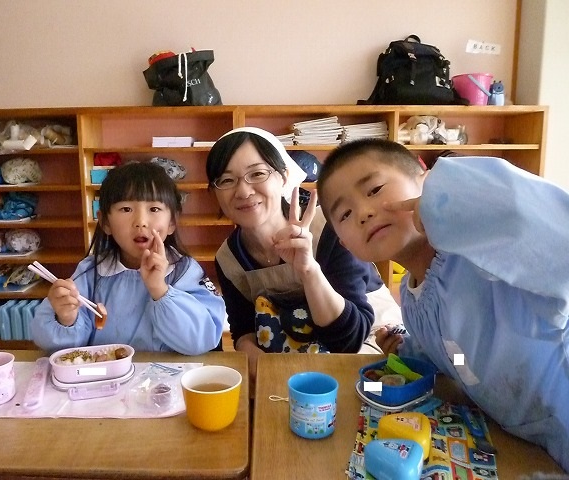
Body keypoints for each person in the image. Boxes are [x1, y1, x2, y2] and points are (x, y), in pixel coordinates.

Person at [316, 138, 569, 472]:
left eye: (375, 189)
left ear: (424, 178)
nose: (364, 212)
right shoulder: (413, 300)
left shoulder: (480, 254)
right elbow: (460, 359)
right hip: (534, 447)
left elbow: (546, 228)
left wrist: (452, 193)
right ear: (344, 244)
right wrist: (407, 350)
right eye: (345, 214)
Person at [206, 127, 402, 382]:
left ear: (283, 177)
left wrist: (309, 270)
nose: (243, 191)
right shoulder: (229, 258)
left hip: (371, 346)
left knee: (369, 396)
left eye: (257, 174)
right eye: (226, 180)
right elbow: (243, 331)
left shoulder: (330, 229)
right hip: (292, 359)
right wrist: (266, 369)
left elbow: (350, 341)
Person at [32, 161, 225, 355]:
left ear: (172, 222)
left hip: (167, 373)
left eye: (154, 209)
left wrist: (160, 290)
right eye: (126, 209)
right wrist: (65, 319)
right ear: (105, 222)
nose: (140, 222)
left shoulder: (184, 270)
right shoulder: (90, 272)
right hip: (106, 372)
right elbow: (62, 351)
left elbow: (202, 340)